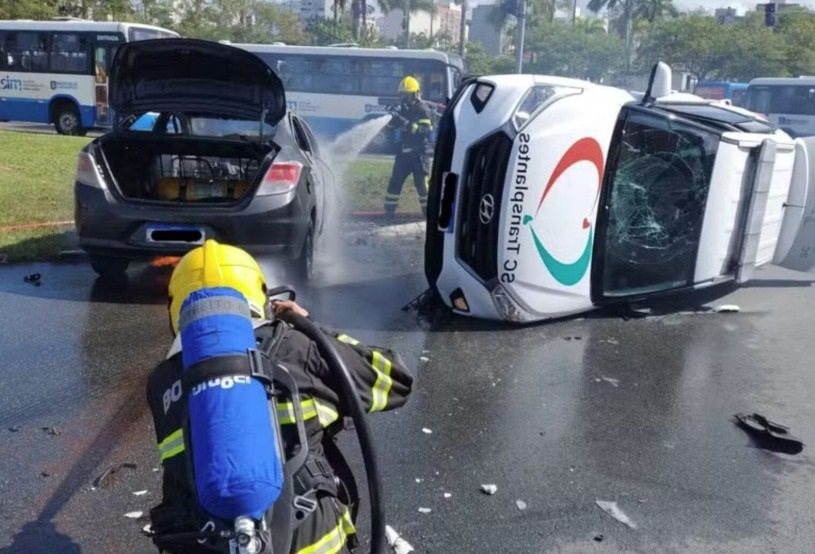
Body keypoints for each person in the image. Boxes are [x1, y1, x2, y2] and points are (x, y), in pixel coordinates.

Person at [145, 239, 414, 554]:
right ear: (260, 296)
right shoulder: (300, 347)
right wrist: (311, 329)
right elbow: (395, 381)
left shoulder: (162, 382)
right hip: (313, 543)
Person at [384, 76, 435, 218]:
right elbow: (389, 128)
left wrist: (404, 122)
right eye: (402, 95)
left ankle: (428, 215)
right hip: (404, 154)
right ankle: (389, 213)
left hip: (420, 154)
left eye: (407, 95)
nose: (404, 98)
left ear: (415, 94)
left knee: (422, 186)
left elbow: (424, 131)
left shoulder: (423, 109)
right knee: (394, 183)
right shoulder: (403, 109)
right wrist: (392, 118)